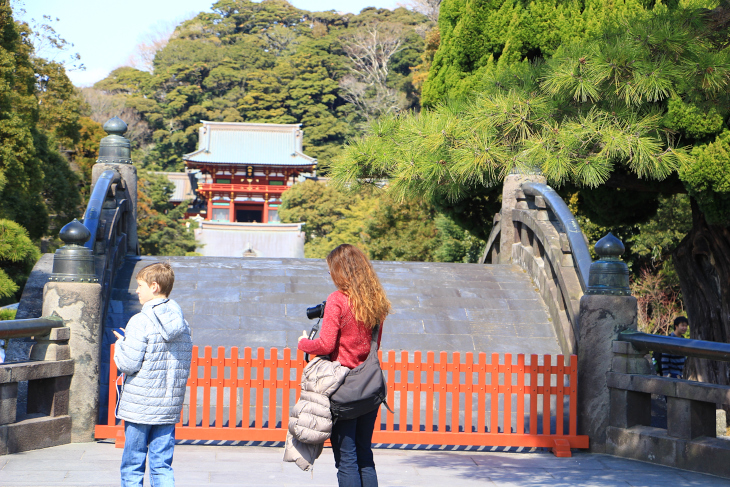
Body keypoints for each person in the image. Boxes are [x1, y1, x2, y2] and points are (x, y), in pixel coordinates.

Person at [297, 244, 391, 487]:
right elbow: (374, 346)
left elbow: (326, 345)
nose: (330, 275)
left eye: (332, 270)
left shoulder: (337, 300)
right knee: (365, 456)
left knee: (347, 459)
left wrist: (304, 343)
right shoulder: (375, 301)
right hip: (370, 387)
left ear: (342, 271)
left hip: (343, 390)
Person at [113, 262, 193, 487]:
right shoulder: (182, 323)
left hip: (141, 405)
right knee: (162, 465)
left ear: (154, 287)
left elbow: (128, 364)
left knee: (133, 463)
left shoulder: (140, 321)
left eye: (140, 285)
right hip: (168, 406)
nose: (137, 290)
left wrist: (122, 345)